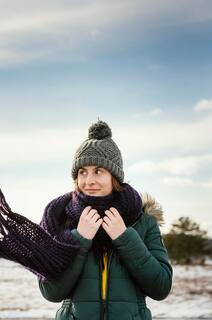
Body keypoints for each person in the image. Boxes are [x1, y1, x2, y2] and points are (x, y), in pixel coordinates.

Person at [38, 120, 173, 320]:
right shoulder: (61, 221)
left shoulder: (143, 222)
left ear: (114, 176)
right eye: (82, 172)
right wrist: (79, 239)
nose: (88, 180)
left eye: (98, 171)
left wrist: (125, 237)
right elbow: (51, 292)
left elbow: (161, 287)